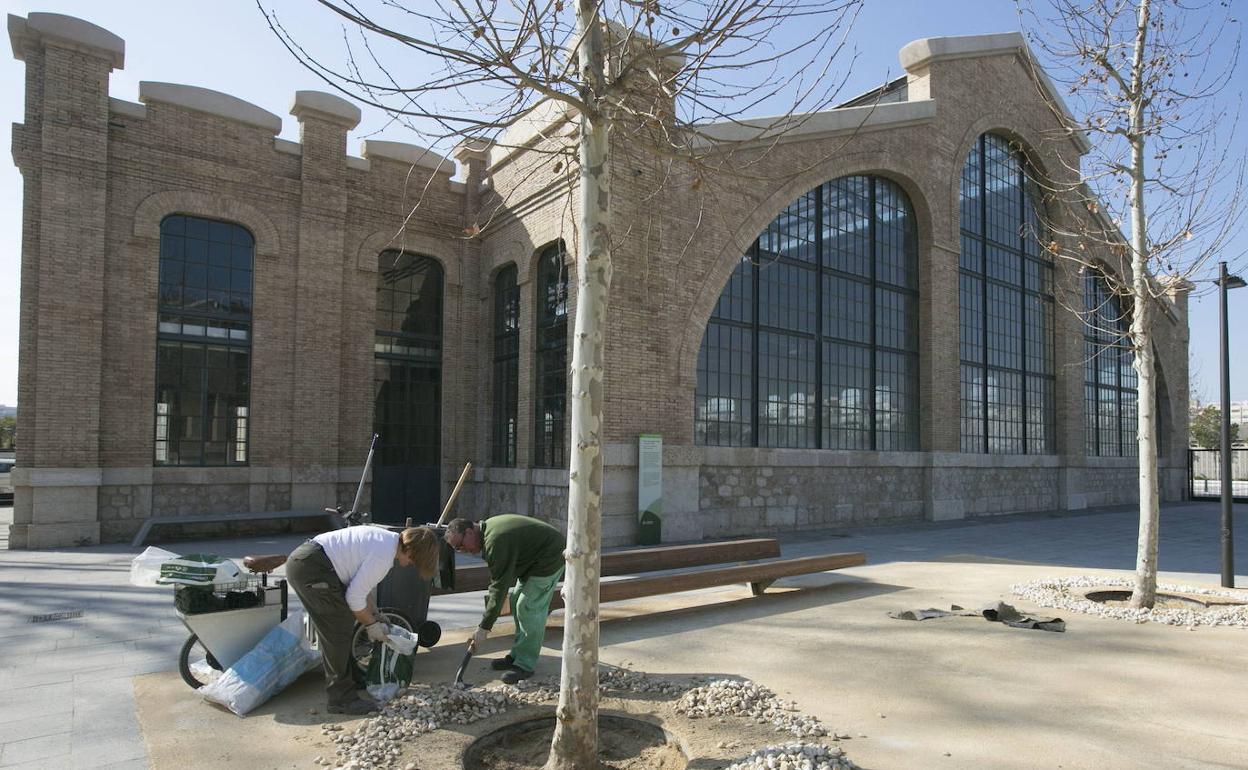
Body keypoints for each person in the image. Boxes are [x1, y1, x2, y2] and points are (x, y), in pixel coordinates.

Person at [285, 525, 440, 714]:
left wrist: (374, 613)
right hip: (312, 568)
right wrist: (371, 624)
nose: (409, 565)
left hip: (312, 562)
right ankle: (341, 699)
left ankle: (352, 680)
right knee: (337, 630)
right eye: (414, 561)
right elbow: (354, 599)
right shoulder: (383, 556)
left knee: (342, 625)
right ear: (410, 549)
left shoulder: (386, 542)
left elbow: (359, 587)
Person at [444, 515, 565, 684]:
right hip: (534, 560)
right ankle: (516, 656)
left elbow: (499, 588)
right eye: (457, 549)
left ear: (470, 531)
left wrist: (484, 627)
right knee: (516, 601)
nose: (462, 551)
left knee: (527, 606)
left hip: (550, 557)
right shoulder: (488, 534)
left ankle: (525, 665)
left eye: (461, 545)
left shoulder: (495, 541)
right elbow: (501, 581)